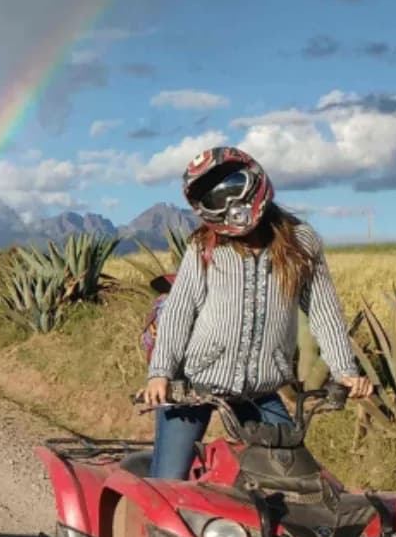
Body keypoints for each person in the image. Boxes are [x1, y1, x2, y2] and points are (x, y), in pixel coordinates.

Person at [142, 146, 372, 480]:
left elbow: (323, 311)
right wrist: (160, 373)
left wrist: (344, 371)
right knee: (167, 483)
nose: (230, 203)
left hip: (260, 391)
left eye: (234, 185)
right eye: (215, 198)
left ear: (254, 177)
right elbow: (180, 310)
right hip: (193, 385)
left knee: (293, 477)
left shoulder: (302, 242)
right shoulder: (204, 247)